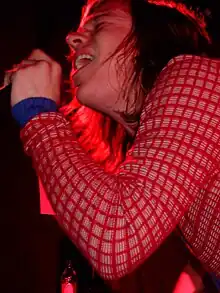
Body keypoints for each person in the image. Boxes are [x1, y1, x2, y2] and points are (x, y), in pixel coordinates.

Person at [7, 0, 220, 291]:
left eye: (100, 23)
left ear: (150, 35)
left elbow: (116, 238)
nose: (71, 39)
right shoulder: (172, 131)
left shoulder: (192, 74)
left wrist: (37, 113)